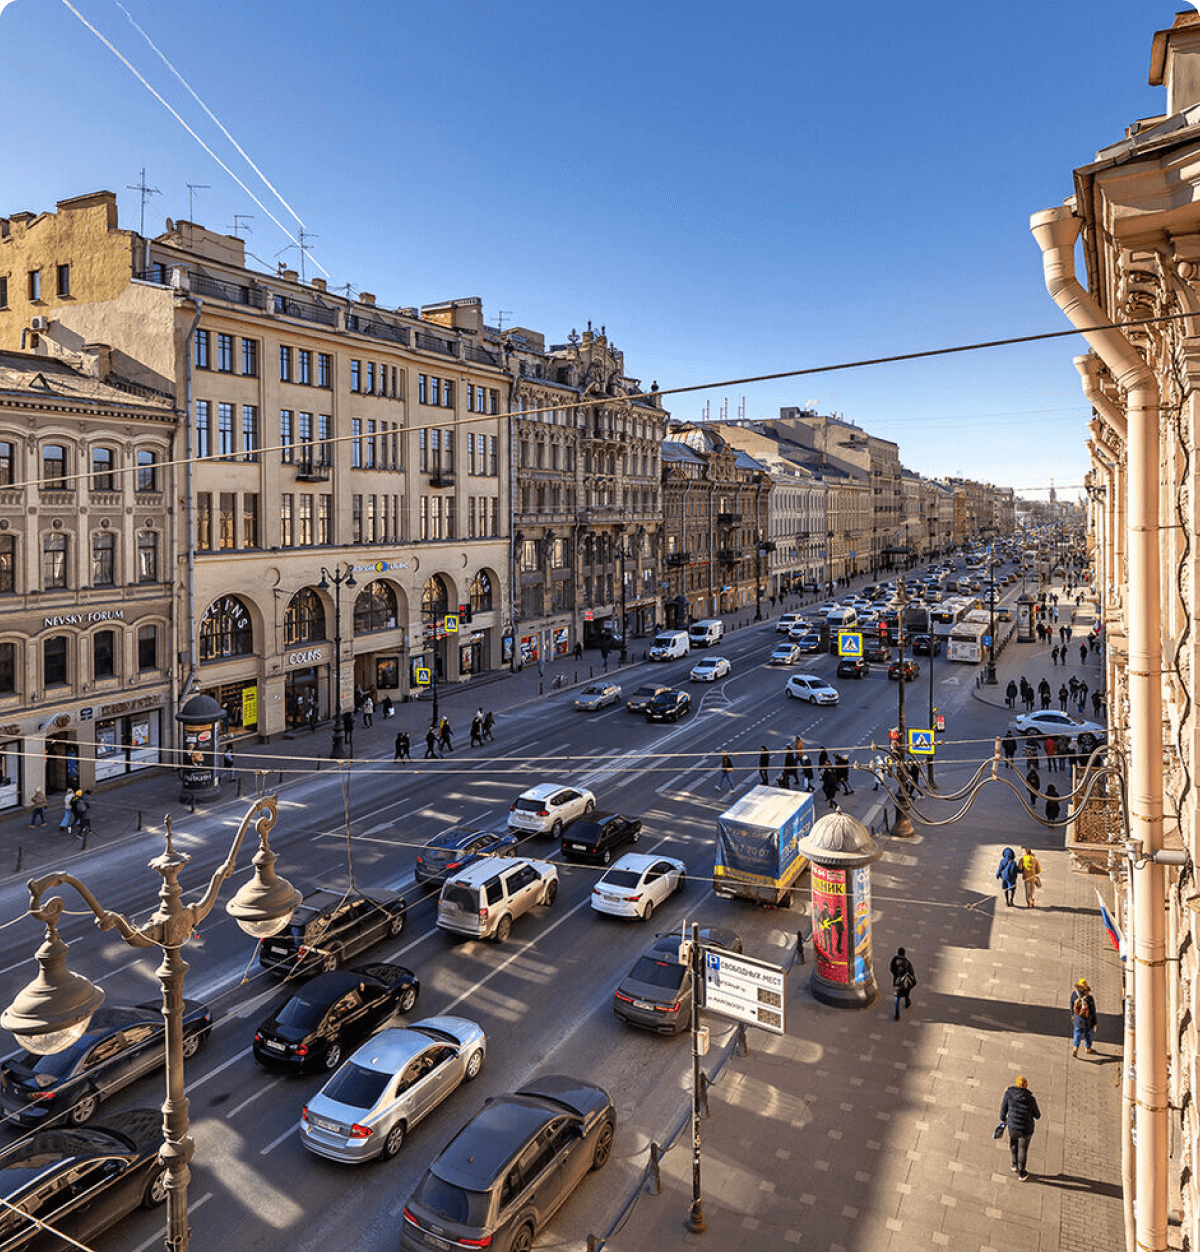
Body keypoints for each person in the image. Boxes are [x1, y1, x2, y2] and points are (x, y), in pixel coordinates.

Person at [999, 1076, 1041, 1181]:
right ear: (1026, 1085)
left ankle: (1014, 1165)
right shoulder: (1031, 1099)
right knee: (1023, 1149)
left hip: (1012, 1126)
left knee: (1013, 1143)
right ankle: (1022, 1173)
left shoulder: (1009, 1094)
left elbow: (1003, 1111)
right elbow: (1037, 1115)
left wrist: (1004, 1119)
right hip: (1026, 1129)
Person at [1070, 978, 1098, 1057]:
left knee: (1077, 1033)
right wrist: (1095, 1022)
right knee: (1088, 1034)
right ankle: (1088, 1048)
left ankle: (1075, 1047)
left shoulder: (1074, 994)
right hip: (1087, 1020)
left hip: (1077, 1019)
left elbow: (1071, 1005)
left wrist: (1073, 1015)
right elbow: (1093, 1011)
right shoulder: (1089, 998)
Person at [890, 947, 916, 1020]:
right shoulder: (907, 962)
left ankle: (897, 1013)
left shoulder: (894, 960)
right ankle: (907, 1002)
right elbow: (911, 972)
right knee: (906, 993)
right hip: (905, 982)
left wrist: (895, 975)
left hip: (897, 981)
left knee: (897, 996)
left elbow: (891, 969)